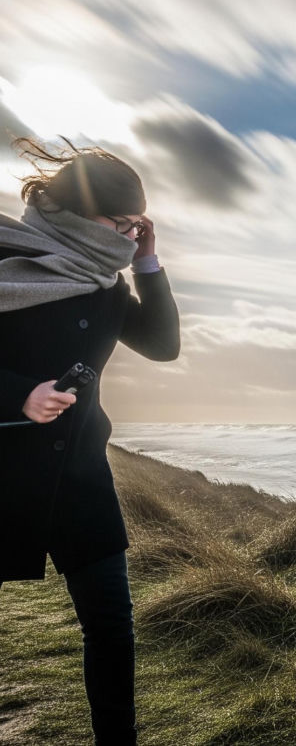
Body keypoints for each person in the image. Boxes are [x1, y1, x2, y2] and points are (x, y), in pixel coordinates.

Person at [0, 137, 180, 745]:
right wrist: (18, 395)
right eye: (120, 223)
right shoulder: (5, 254)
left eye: (138, 226)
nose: (129, 235)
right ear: (77, 211)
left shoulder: (107, 280)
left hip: (80, 475)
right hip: (2, 475)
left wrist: (147, 266)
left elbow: (161, 346)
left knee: (110, 625)